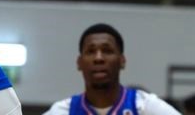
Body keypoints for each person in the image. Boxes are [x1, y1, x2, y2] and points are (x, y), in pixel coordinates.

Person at [42, 24, 181, 115]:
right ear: (79, 63)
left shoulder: (144, 106)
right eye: (91, 51)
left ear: (122, 61)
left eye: (107, 51)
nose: (98, 58)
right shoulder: (63, 111)